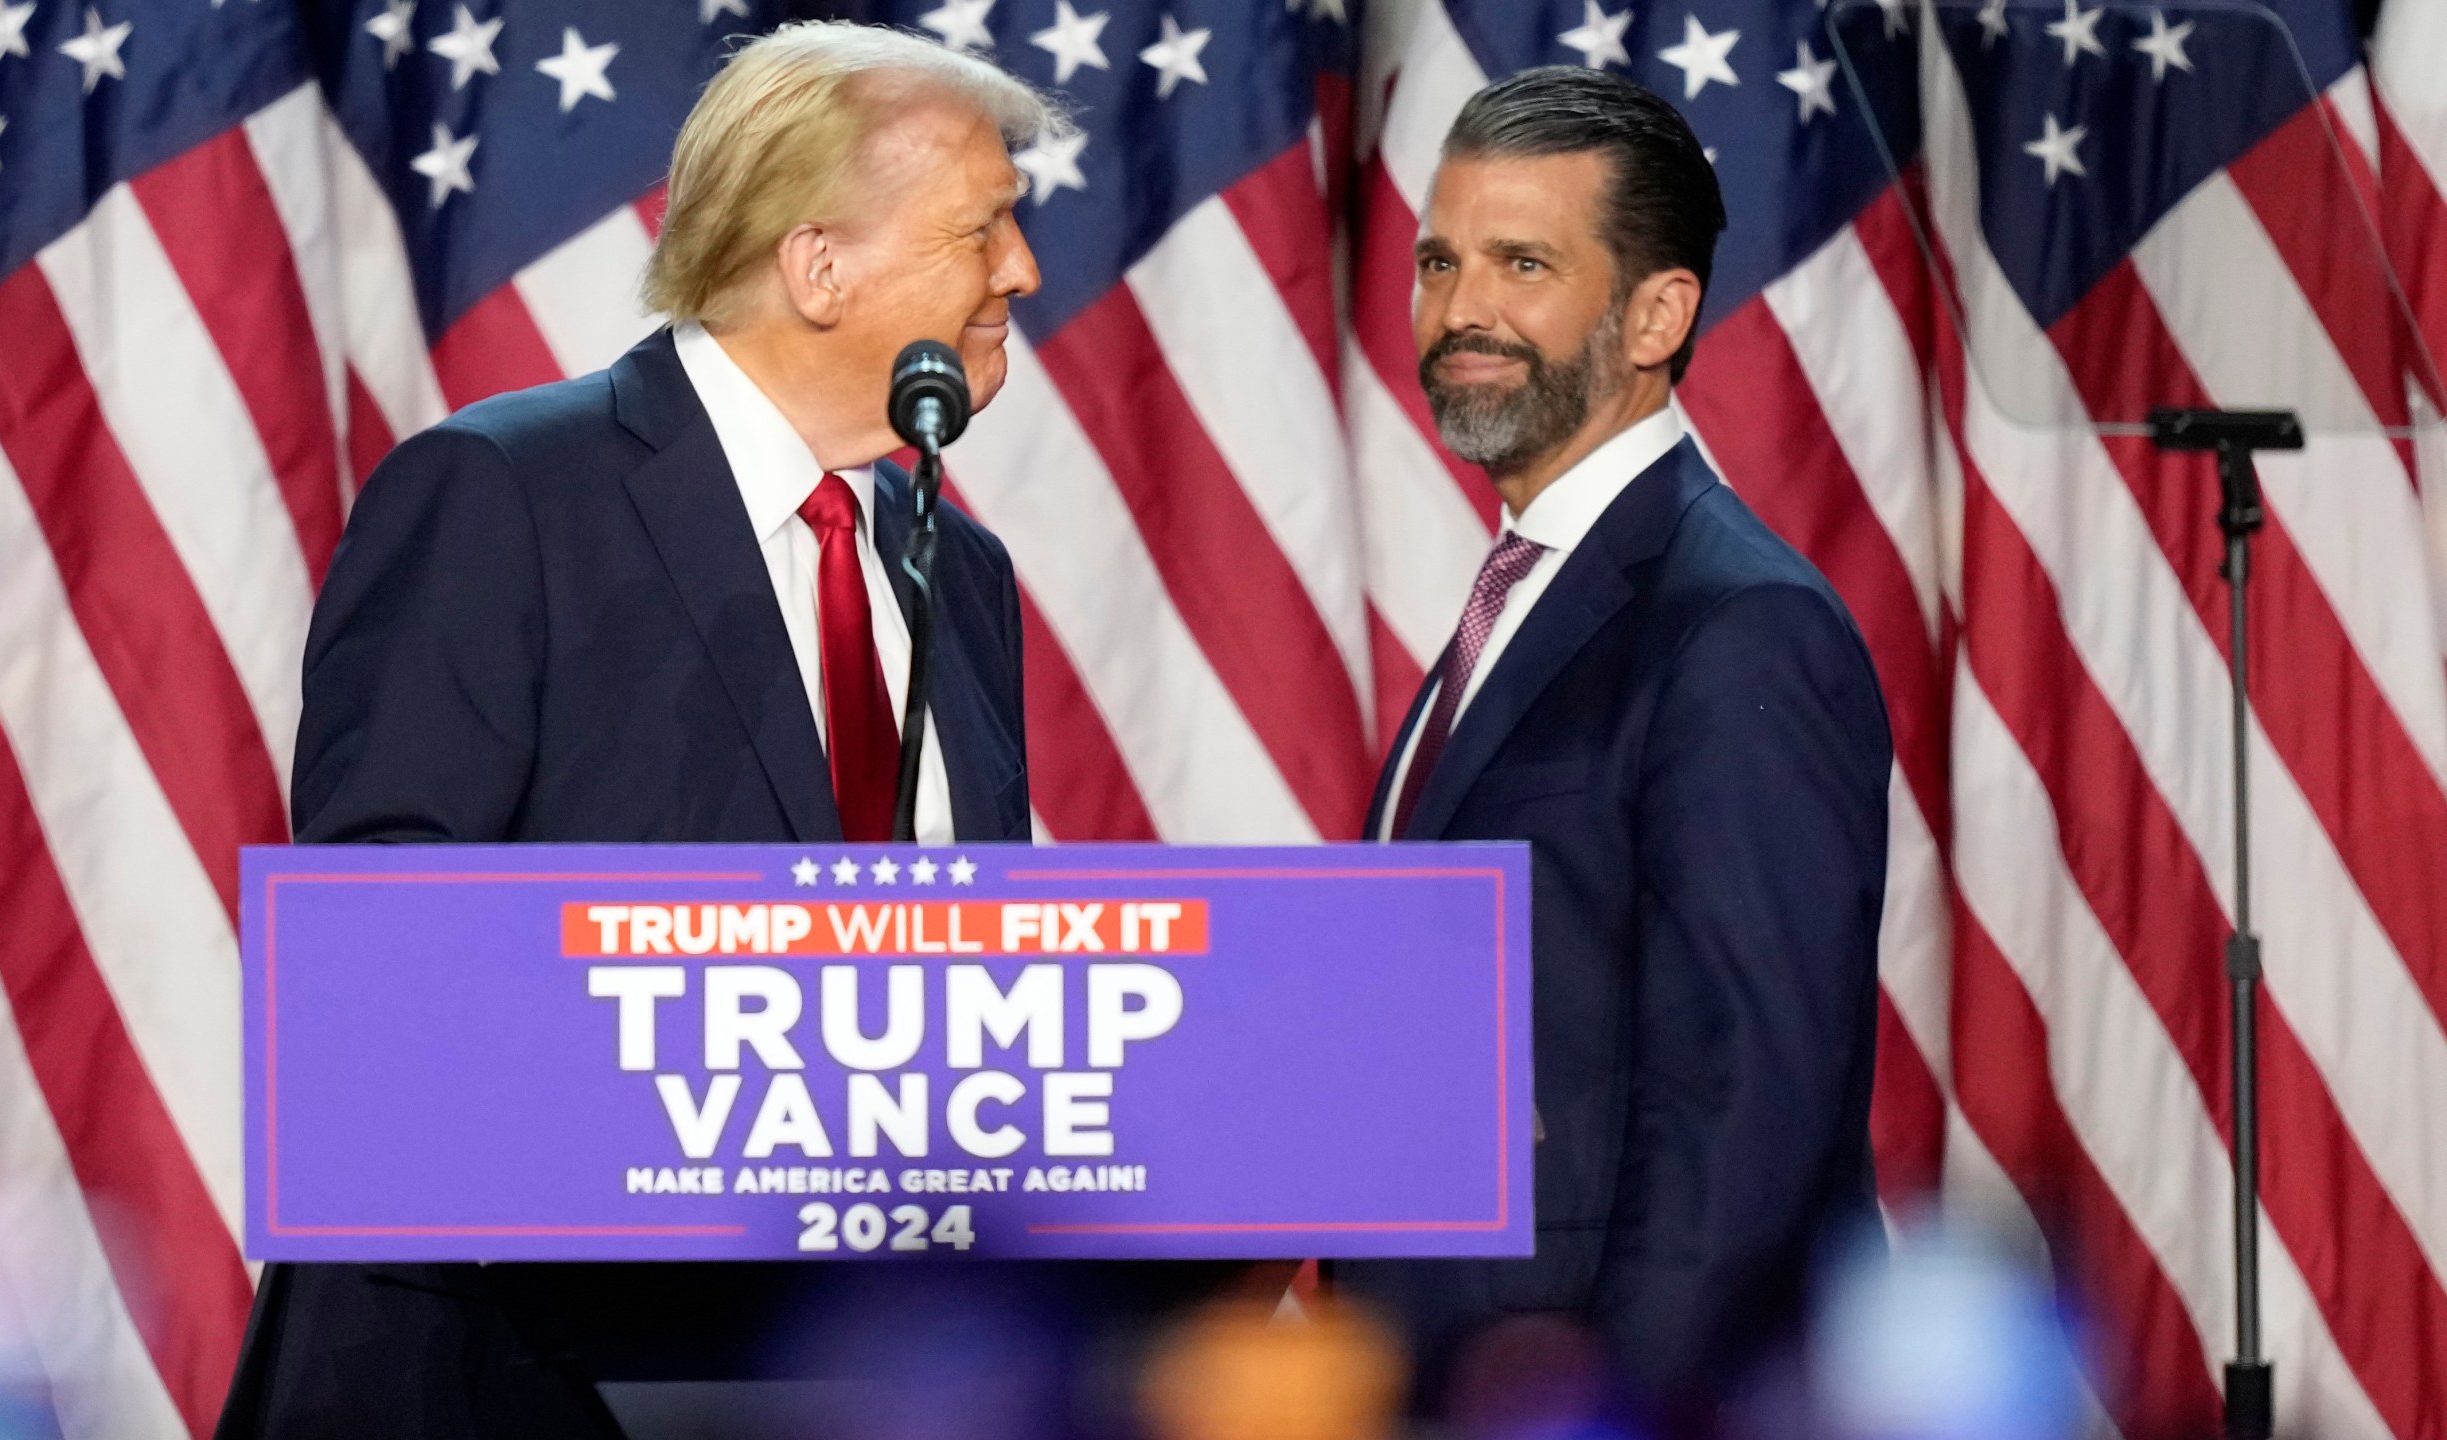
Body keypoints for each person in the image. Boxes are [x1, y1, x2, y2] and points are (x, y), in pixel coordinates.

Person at [216, 24, 1236, 1440]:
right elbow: (377, 973)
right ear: (819, 265)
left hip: (818, 1376)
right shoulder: (504, 499)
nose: (1024, 271)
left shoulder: (958, 572)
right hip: (486, 1378)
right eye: (985, 226)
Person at [1333, 66, 1894, 1428]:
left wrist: (1624, 1408)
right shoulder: (1520, 599)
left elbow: (1739, 1115)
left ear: (1657, 314)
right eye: (1439, 261)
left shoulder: (1738, 622)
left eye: (1523, 263)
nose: (1460, 309)